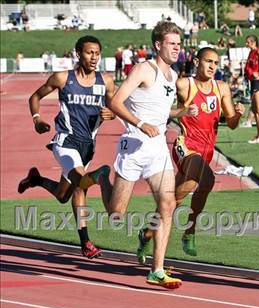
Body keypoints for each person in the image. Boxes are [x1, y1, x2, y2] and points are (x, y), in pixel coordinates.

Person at [92, 21, 196, 289]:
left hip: (157, 147)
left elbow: (158, 111)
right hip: (134, 145)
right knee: (116, 213)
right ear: (158, 45)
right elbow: (114, 102)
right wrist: (139, 124)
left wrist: (179, 114)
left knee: (168, 205)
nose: (177, 48)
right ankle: (103, 177)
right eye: (172, 43)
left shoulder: (172, 76)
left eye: (179, 44)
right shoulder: (143, 69)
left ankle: (157, 270)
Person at [137, 47, 244, 258]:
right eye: (208, 61)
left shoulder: (221, 88)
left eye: (215, 62)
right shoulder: (184, 85)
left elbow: (231, 123)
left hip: (206, 151)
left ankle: (147, 233)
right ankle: (190, 232)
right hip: (185, 145)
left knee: (175, 198)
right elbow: (161, 106)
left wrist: (238, 115)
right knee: (207, 180)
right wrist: (181, 111)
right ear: (197, 61)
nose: (212, 66)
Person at [17, 36, 116, 259]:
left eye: (97, 53)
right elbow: (35, 96)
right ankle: (87, 243)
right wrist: (36, 119)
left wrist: (112, 113)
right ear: (78, 53)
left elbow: (117, 105)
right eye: (89, 52)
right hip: (65, 141)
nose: (94, 57)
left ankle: (36, 180)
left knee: (65, 195)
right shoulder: (63, 78)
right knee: (83, 180)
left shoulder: (106, 82)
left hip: (88, 146)